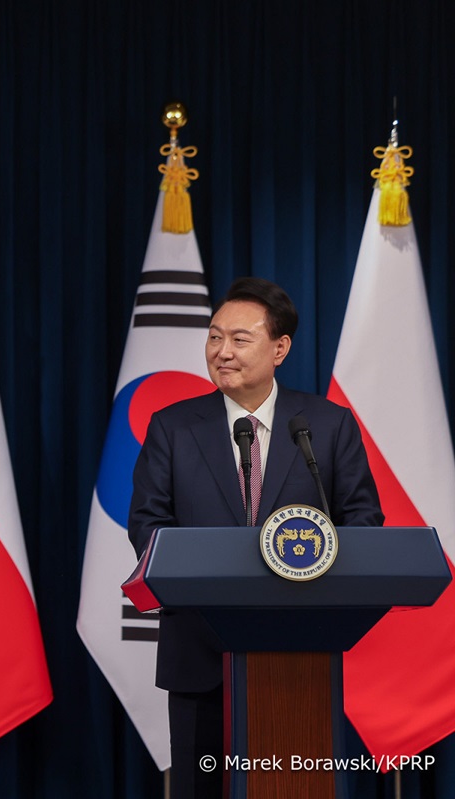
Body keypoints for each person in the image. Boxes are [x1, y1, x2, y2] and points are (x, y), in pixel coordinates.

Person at [127, 276, 382, 798]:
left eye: (239, 339)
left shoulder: (327, 427)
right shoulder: (173, 427)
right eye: (214, 337)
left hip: (300, 654)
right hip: (199, 653)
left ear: (279, 348)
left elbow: (362, 522)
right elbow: (148, 526)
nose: (222, 352)